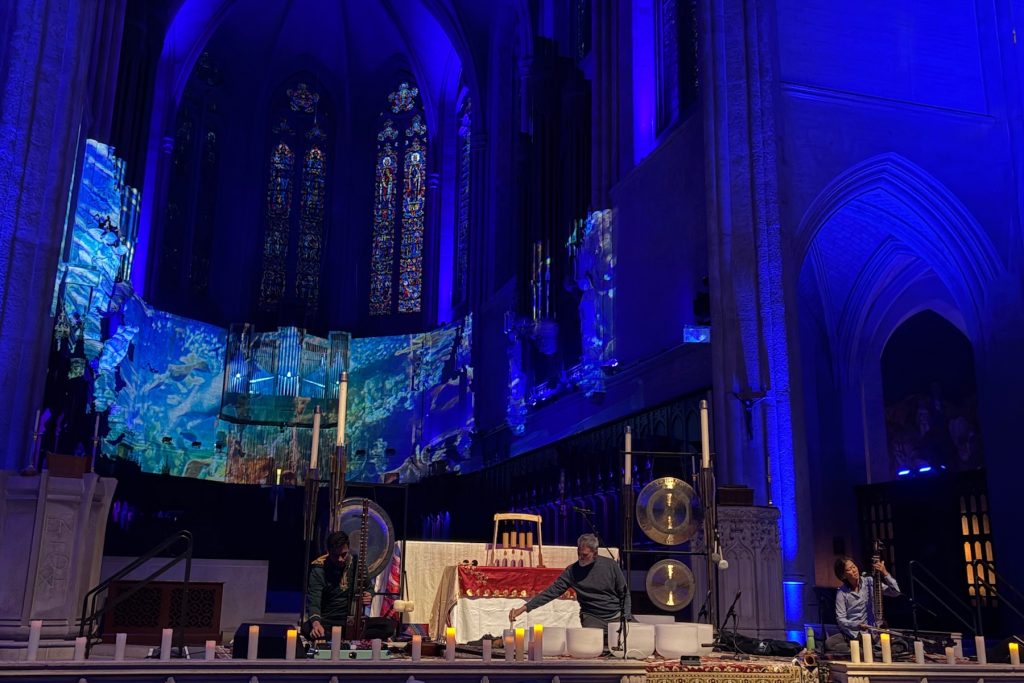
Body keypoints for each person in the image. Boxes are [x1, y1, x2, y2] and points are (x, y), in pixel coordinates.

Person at [508, 533, 632, 630]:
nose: (580, 558)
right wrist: (523, 608)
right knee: (592, 647)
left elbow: (624, 593)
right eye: (579, 554)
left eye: (584, 555)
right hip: (593, 618)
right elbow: (550, 592)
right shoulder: (572, 571)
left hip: (616, 615)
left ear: (595, 553)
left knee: (640, 640)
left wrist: (626, 617)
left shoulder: (610, 565)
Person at [304, 530, 371, 641]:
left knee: (386, 627)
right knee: (307, 628)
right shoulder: (319, 570)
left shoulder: (357, 564)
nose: (340, 559)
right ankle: (339, 638)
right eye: (336, 555)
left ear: (348, 550)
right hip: (328, 620)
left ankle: (338, 638)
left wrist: (369, 595)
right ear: (328, 551)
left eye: (344, 555)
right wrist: (316, 624)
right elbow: (314, 602)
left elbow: (368, 587)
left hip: (351, 620)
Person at [827, 555, 901, 653]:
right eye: (849, 569)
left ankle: (863, 650)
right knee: (829, 643)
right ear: (843, 575)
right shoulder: (842, 592)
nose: (854, 570)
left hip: (873, 632)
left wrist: (885, 573)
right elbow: (841, 619)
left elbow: (895, 592)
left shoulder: (869, 581)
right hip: (853, 633)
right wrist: (857, 624)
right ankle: (865, 650)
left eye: (854, 566)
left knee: (900, 644)